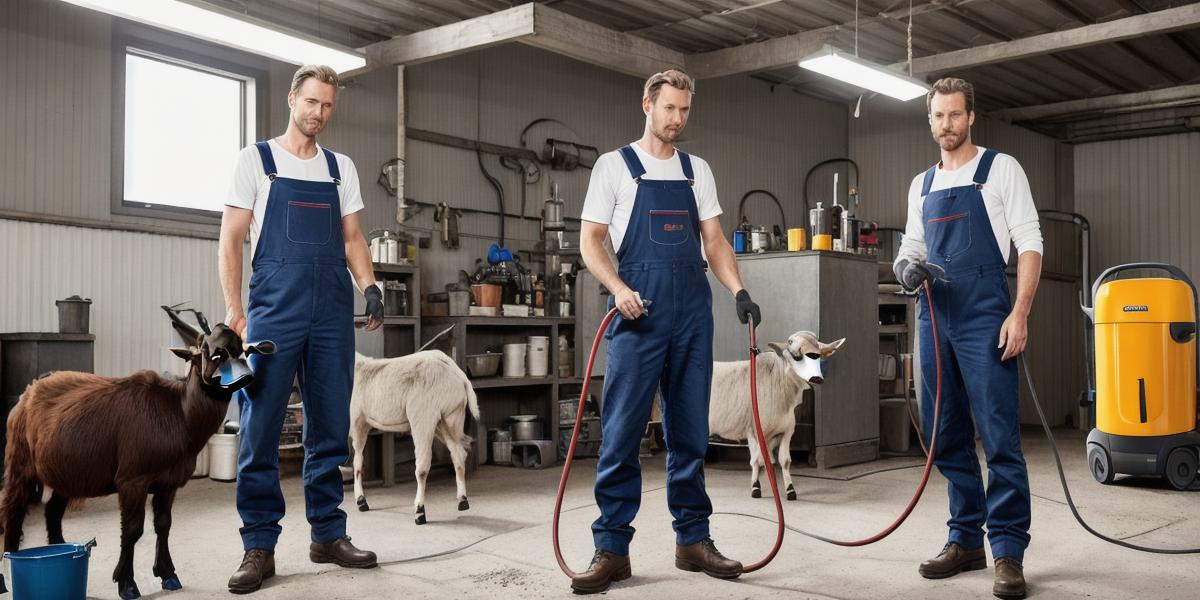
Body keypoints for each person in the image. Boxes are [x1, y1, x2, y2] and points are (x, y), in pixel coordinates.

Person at [573, 68, 763, 595]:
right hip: (639, 315)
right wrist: (616, 287)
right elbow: (591, 242)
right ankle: (611, 548)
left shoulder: (696, 170)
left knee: (688, 435)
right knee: (620, 435)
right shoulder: (614, 167)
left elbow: (715, 240)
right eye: (669, 109)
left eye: (684, 110)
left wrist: (739, 291)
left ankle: (692, 541)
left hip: (692, 316)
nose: (677, 119)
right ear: (647, 105)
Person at [218, 64, 383, 594]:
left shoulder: (340, 169)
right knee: (260, 424)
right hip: (273, 309)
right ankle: (259, 544)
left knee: (331, 423)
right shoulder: (257, 161)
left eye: (327, 105)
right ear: (292, 100)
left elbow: (353, 238)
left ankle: (327, 534)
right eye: (310, 102)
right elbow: (232, 237)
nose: (318, 113)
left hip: (333, 311)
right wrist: (233, 310)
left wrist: (370, 284)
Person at [894, 77, 1043, 600]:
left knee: (999, 436)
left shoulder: (1000, 169)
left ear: (971, 116)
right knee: (944, 433)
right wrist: (906, 269)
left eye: (955, 116)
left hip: (985, 314)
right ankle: (965, 539)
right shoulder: (922, 184)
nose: (946, 126)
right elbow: (911, 244)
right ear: (930, 119)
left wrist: (1019, 313)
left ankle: (1007, 550)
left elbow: (1029, 243)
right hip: (934, 314)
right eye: (938, 117)